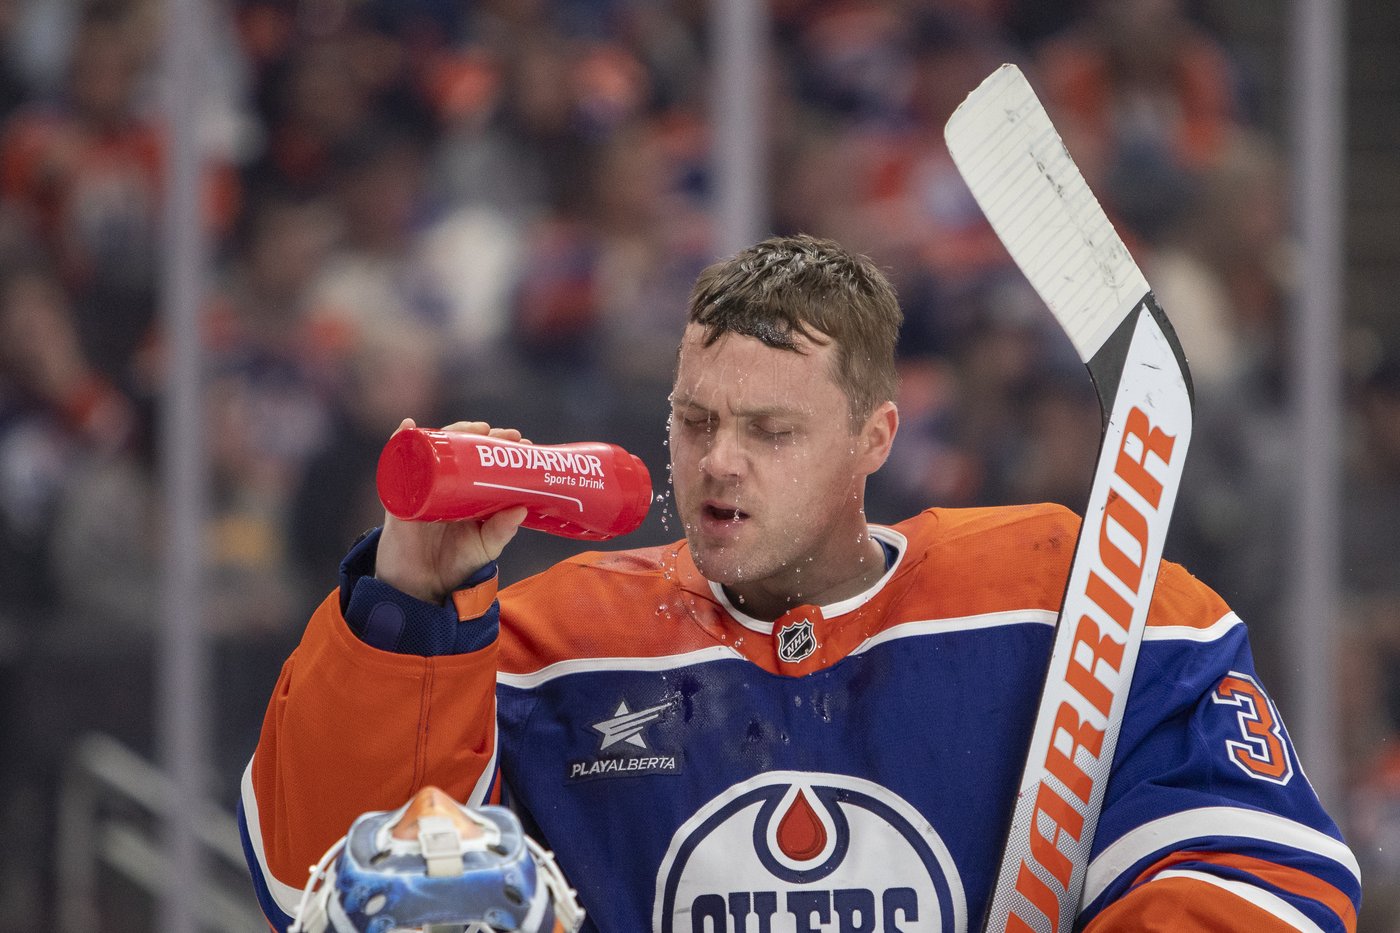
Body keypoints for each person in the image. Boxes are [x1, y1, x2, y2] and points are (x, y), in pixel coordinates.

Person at [241, 235, 1360, 931]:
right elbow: (328, 886)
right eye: (694, 421)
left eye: (771, 430)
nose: (717, 463)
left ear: (876, 438)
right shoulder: (551, 647)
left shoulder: (1067, 601)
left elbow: (1257, 870)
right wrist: (411, 611)